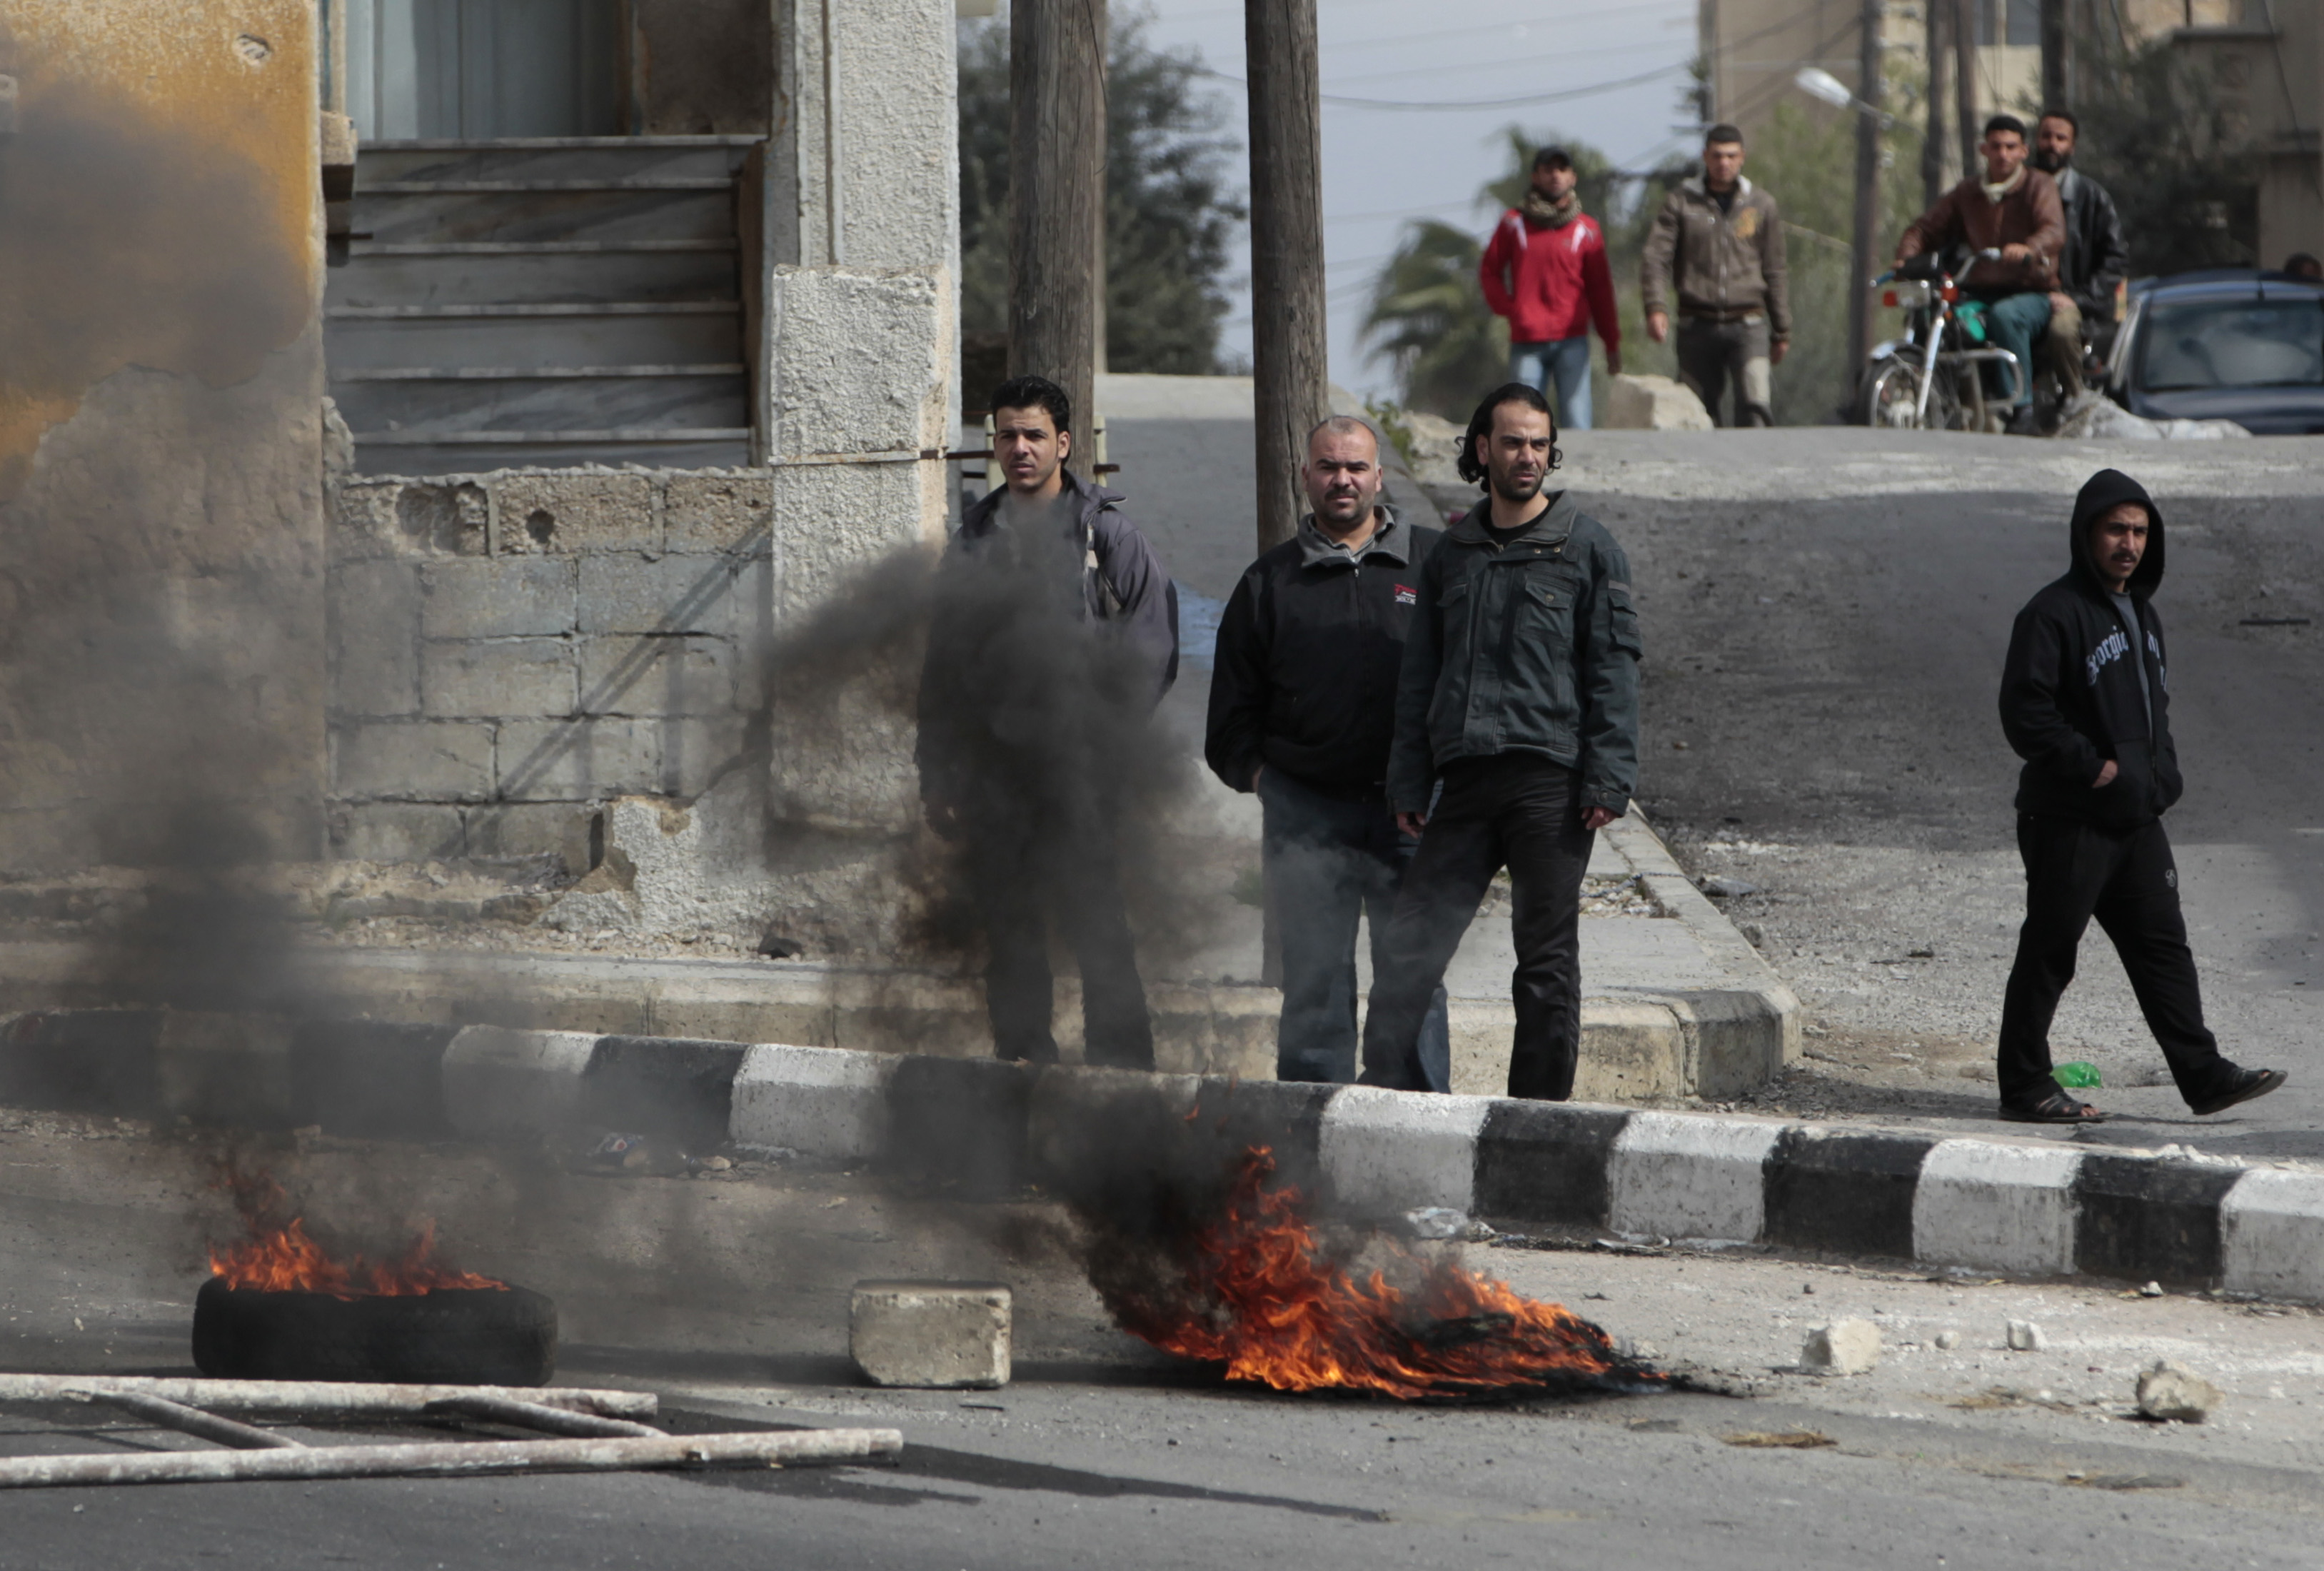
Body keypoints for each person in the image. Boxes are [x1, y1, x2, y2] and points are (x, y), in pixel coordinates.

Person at [1357, 384, 1640, 1100]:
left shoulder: (1588, 549)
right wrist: (1409, 781)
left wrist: (1609, 777)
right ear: (1482, 450)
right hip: (1467, 783)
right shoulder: (1452, 553)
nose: (1528, 456)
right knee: (1407, 950)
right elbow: (1420, 677)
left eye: (1540, 444)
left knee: (1544, 964)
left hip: (1552, 784)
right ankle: (1386, 1105)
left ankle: (1536, 1125)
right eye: (1513, 442)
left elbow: (1614, 667)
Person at [1994, 468, 2285, 1123]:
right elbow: (2024, 712)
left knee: (2164, 951)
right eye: (2115, 530)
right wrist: (2091, 767)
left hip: (2135, 819)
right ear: (2086, 534)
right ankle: (2024, 1086)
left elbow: (2155, 705)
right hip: (2069, 818)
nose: (2128, 544)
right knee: (2050, 951)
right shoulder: (2050, 614)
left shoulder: (2143, 614)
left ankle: (2204, 1076)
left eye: (2139, 531)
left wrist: (2160, 773)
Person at [916, 374, 1177, 1070]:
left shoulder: (1106, 534)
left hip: (1082, 768)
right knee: (1010, 925)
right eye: (1007, 435)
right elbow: (942, 666)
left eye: (1034, 435)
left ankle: (1123, 1074)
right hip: (994, 773)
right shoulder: (973, 538)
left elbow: (1153, 647)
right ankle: (1025, 1064)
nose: (1020, 447)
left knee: (1097, 923)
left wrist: (1106, 743)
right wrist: (938, 772)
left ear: (1064, 443)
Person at [1205, 418, 1452, 1088]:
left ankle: (1416, 1129)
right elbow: (1228, 721)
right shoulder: (1269, 583)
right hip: (1307, 823)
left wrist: (1446, 782)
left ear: (1379, 476)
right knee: (1314, 985)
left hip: (1413, 819)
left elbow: (1472, 685)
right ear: (1305, 476)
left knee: (1413, 983)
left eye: (1355, 467)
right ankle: (1310, 1145)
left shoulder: (1436, 566)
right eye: (1326, 466)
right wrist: (1272, 786)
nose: (1341, 479)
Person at [1895, 114, 2065, 435]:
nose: (2003, 154)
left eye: (2011, 147)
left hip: (2030, 292)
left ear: (2024, 152)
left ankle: (2021, 407)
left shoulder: (2038, 186)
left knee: (2006, 317)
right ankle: (1942, 398)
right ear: (1983, 149)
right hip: (1980, 291)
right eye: (1996, 146)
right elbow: (1924, 228)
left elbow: (2054, 230)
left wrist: (2028, 248)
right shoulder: (1967, 193)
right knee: (1943, 318)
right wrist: (1905, 259)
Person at [1641, 123, 1791, 427]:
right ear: (1705, 157)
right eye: (1718, 156)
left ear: (1742, 158)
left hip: (1748, 324)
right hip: (1697, 325)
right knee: (1697, 417)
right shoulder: (1681, 202)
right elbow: (1656, 258)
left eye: (1731, 156)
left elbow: (1775, 269)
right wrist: (1656, 307)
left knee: (1756, 406)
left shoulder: (1761, 205)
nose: (1724, 163)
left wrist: (1782, 329)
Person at [1480, 146, 1622, 431]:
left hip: (1572, 340)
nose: (1555, 176)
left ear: (1573, 178)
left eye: (1562, 170)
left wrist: (1611, 341)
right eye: (1548, 170)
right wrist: (1510, 309)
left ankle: (1578, 474)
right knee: (1522, 422)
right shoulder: (1514, 223)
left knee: (1577, 418)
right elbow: (1489, 271)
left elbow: (1600, 290)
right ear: (1536, 177)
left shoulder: (1587, 229)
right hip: (1527, 340)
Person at [2031, 108, 2130, 400]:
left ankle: (2075, 400)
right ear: (2035, 141)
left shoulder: (2092, 198)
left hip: (2070, 304)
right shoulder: (2018, 192)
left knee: (2061, 332)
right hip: (2022, 299)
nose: (2053, 144)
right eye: (2046, 136)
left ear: (2072, 147)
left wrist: (2077, 298)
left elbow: (2116, 261)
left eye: (2061, 138)